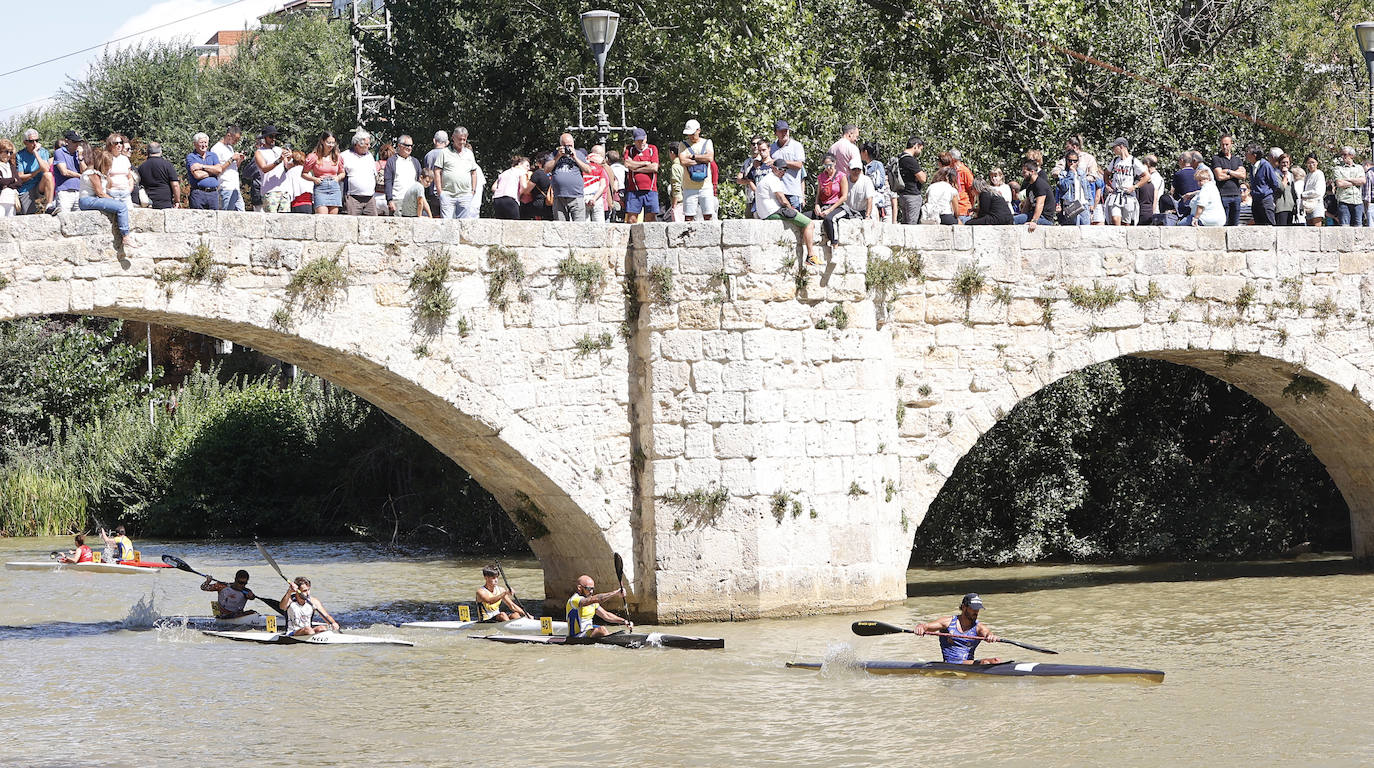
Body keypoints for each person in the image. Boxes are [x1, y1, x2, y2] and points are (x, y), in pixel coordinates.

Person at [756, 159, 819, 266]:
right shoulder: (773, 179)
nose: (783, 172)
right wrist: (791, 209)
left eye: (785, 170)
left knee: (805, 216)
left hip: (767, 212)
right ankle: (811, 256)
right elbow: (782, 199)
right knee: (809, 223)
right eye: (780, 169)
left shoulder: (767, 179)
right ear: (773, 168)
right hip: (773, 212)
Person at [913, 593, 1003, 665]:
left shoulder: (978, 627)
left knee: (997, 660)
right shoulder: (948, 622)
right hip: (950, 664)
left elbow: (987, 633)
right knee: (986, 662)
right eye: (973, 609)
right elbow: (926, 626)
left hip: (969, 664)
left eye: (978, 609)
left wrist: (990, 636)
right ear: (964, 607)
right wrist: (920, 627)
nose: (976, 612)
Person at [79, 148, 136, 244]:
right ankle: (125, 235)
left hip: (92, 199)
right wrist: (114, 201)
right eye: (108, 165)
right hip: (87, 200)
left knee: (119, 205)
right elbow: (100, 193)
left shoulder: (97, 174)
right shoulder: (93, 174)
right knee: (121, 207)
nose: (109, 168)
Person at [565, 574, 631, 639]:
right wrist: (615, 593)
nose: (591, 591)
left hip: (588, 632)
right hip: (576, 636)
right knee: (602, 629)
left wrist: (624, 621)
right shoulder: (574, 600)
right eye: (589, 589)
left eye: (592, 589)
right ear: (579, 588)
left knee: (604, 629)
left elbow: (606, 615)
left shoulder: (592, 602)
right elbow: (597, 599)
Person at [546, 133, 593, 221]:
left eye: (570, 145)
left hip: (576, 195)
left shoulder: (579, 154)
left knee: (579, 225)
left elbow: (588, 170)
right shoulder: (554, 154)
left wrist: (575, 158)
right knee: (560, 225)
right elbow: (546, 169)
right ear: (561, 145)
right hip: (559, 195)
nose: (568, 148)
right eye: (565, 145)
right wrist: (558, 156)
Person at [434, 127, 478, 219]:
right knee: (446, 225)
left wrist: (473, 191)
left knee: (464, 226)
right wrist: (440, 191)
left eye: (464, 139)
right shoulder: (444, 152)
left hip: (465, 195)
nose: (462, 142)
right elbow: (437, 171)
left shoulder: (469, 154)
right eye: (460, 139)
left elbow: (473, 172)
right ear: (453, 138)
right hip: (447, 195)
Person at [679, 119, 717, 221]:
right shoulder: (682, 144)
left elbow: (710, 158)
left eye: (692, 133)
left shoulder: (707, 142)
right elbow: (682, 161)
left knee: (708, 215)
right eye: (689, 134)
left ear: (698, 130)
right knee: (688, 216)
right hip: (689, 187)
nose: (690, 136)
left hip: (705, 186)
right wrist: (701, 160)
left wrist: (692, 156)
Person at [1104, 137, 1145, 225]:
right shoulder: (1115, 161)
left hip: (1128, 196)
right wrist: (1108, 184)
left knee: (1126, 223)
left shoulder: (1133, 161)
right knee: (1115, 219)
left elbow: (1146, 176)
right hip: (1116, 194)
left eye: (1115, 147)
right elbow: (1106, 173)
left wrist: (1135, 187)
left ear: (1121, 146)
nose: (1113, 149)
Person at [623, 128, 660, 223]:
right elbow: (627, 164)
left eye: (642, 140)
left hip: (651, 189)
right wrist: (645, 163)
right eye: (638, 141)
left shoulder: (652, 149)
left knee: (651, 218)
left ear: (646, 138)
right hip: (633, 190)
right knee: (632, 219)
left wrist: (635, 168)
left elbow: (654, 167)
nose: (640, 143)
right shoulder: (630, 149)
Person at [382, 134, 423, 216]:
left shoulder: (415, 162)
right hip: (397, 201)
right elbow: (388, 182)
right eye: (407, 145)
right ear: (399, 146)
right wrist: (389, 200)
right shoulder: (392, 161)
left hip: (412, 202)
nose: (410, 148)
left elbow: (419, 182)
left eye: (411, 146)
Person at [769, 120, 806, 210]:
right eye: (781, 131)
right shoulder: (771, 148)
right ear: (775, 133)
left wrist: (780, 161)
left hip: (792, 191)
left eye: (786, 130)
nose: (784, 133)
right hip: (777, 192)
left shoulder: (796, 146)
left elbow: (799, 165)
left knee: (796, 221)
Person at [303, 132, 343, 215]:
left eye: (333, 143)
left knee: (333, 218)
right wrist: (314, 179)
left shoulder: (337, 156)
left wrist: (337, 178)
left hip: (334, 188)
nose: (331, 145)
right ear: (322, 141)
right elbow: (304, 173)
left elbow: (342, 173)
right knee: (322, 217)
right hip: (321, 187)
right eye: (328, 142)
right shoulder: (313, 157)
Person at [16, 129, 53, 215]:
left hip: (40, 186)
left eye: (37, 140)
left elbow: (46, 169)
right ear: (25, 142)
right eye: (31, 141)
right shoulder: (20, 155)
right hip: (26, 188)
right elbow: (21, 177)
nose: (35, 143)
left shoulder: (43, 152)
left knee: (48, 175)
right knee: (29, 214)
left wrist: (35, 153)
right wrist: (36, 172)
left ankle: (49, 205)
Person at [814, 153, 848, 245]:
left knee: (829, 219)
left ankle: (834, 244)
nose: (828, 168)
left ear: (834, 163)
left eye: (830, 165)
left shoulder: (841, 176)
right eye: (825, 166)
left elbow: (844, 197)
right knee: (806, 217)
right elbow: (818, 194)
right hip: (824, 206)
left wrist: (830, 210)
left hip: (838, 206)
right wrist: (817, 205)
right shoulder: (821, 177)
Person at [185, 133, 226, 211]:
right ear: (195, 144)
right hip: (198, 194)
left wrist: (202, 166)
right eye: (201, 143)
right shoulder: (191, 157)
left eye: (205, 142)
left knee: (214, 220)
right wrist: (212, 172)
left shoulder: (213, 155)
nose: (204, 145)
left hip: (213, 194)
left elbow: (219, 170)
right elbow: (197, 175)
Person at [1212, 134, 1246, 226]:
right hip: (1224, 195)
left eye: (1227, 144)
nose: (1224, 147)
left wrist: (1228, 171)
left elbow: (1243, 175)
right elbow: (1219, 176)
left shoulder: (1237, 159)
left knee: (1234, 224)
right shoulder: (1216, 159)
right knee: (1224, 223)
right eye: (1222, 144)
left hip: (1236, 195)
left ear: (1231, 144)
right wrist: (1235, 174)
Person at [209, 126, 245, 212]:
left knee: (242, 213)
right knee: (227, 214)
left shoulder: (230, 148)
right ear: (229, 135)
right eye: (235, 139)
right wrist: (232, 159)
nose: (236, 142)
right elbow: (217, 170)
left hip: (235, 187)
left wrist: (239, 160)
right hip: (225, 187)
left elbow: (233, 167)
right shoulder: (216, 148)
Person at [735, 136, 772, 218]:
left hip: (765, 198)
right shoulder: (748, 161)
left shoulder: (766, 160)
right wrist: (749, 181)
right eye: (753, 144)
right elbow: (739, 179)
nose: (755, 146)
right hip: (750, 197)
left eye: (758, 143)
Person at [51, 130, 86, 213]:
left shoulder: (78, 154)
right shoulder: (59, 152)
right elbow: (64, 172)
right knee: (64, 219)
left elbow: (85, 172)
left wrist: (80, 157)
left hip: (79, 191)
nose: (77, 144)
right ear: (67, 141)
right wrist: (79, 175)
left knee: (79, 220)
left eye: (78, 142)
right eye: (74, 142)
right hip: (65, 192)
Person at [137, 142, 180, 210]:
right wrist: (177, 200)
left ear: (147, 152)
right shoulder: (167, 165)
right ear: (161, 151)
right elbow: (175, 185)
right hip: (165, 202)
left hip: (148, 202)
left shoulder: (141, 167)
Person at [1245, 145, 1279, 226]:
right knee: (1258, 225)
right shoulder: (1252, 167)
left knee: (1269, 224)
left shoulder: (1265, 165)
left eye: (1248, 152)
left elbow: (1275, 183)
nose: (1246, 154)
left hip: (1265, 200)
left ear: (1254, 155)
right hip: (1256, 200)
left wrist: (1267, 194)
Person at [1332, 146, 1366, 227]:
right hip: (1344, 201)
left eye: (1345, 154)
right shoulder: (1338, 168)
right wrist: (1355, 182)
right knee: (1345, 227)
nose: (1342, 157)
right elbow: (1339, 184)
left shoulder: (1359, 168)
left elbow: (1363, 181)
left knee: (1358, 227)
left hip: (1357, 201)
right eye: (1341, 155)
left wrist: (1347, 180)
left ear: (1352, 155)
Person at [1055, 151, 1091, 226]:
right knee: (1073, 229)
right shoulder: (1063, 174)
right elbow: (1063, 187)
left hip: (1084, 204)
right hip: (1071, 204)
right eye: (1070, 160)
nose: (1072, 163)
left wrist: (1091, 203)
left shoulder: (1082, 173)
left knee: (1086, 230)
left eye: (1075, 161)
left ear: (1078, 161)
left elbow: (1087, 188)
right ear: (1066, 161)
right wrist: (1071, 173)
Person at [1015, 160, 1054, 230]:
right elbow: (1027, 205)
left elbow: (1040, 204)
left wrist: (1034, 221)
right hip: (1032, 215)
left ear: (1032, 172)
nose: (1023, 174)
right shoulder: (1029, 187)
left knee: (1014, 220)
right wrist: (1021, 216)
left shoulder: (1040, 185)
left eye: (1024, 172)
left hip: (1044, 218)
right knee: (1013, 219)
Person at [895, 137, 926, 224]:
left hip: (902, 194)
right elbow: (923, 179)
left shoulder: (900, 158)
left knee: (905, 224)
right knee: (912, 226)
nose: (920, 152)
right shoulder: (910, 160)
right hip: (912, 195)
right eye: (920, 149)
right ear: (916, 146)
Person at [860, 143, 890, 222]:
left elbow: (880, 182)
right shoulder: (864, 166)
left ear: (865, 152)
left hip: (876, 196)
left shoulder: (877, 165)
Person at [522, 151, 553, 220]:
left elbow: (527, 191)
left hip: (539, 206)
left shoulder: (538, 173)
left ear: (539, 163)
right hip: (552, 205)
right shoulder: (554, 173)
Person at [423, 131, 448, 217]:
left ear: (434, 141)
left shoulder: (428, 155)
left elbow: (427, 173)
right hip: (447, 192)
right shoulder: (449, 154)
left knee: (436, 217)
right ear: (447, 142)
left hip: (433, 192)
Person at [1300, 154, 1326, 227]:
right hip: (1307, 205)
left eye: (1313, 162)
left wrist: (1303, 194)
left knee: (1317, 228)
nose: (1311, 165)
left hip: (1316, 203)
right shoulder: (1307, 176)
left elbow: (1318, 191)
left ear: (1317, 163)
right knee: (1309, 228)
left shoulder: (1319, 174)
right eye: (1309, 163)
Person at [950, 148, 975, 219]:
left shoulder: (965, 171)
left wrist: (971, 207)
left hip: (964, 211)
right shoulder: (951, 171)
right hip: (953, 210)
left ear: (953, 160)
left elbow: (972, 191)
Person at [1274, 153, 1297, 226]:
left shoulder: (1291, 175)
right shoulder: (1275, 174)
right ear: (1279, 163)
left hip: (1290, 208)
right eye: (1283, 162)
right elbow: (1280, 188)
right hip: (1281, 207)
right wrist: (1284, 177)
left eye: (1287, 162)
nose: (1285, 164)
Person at [0, 141, 18, 216]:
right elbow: (1, 182)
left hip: (11, 199)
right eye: (6, 152)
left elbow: (19, 182)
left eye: (10, 153)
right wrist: (12, 180)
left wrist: (6, 185)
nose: (8, 155)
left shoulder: (11, 167)